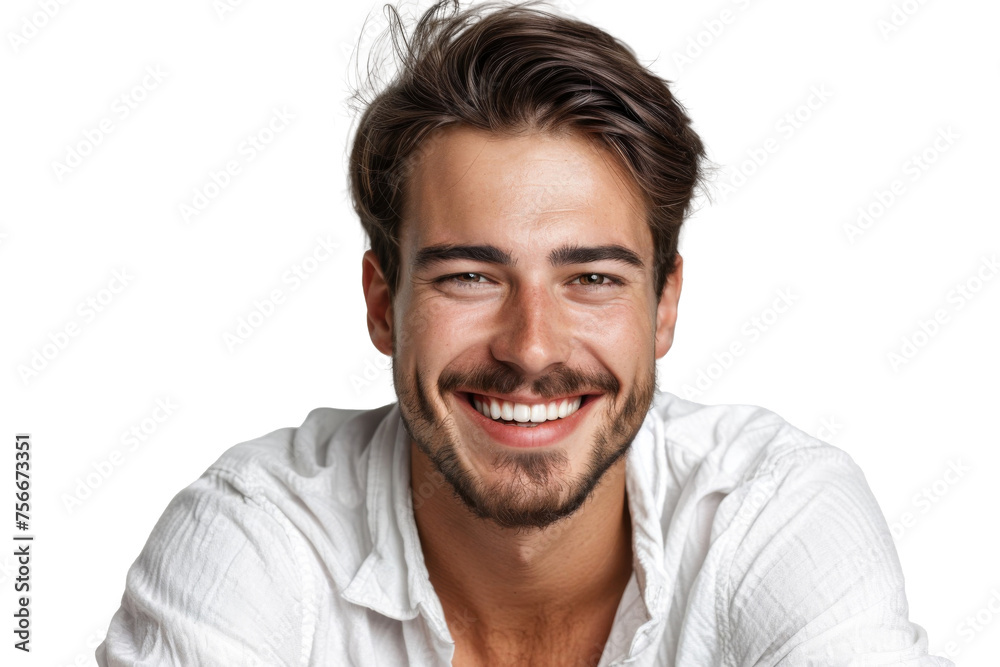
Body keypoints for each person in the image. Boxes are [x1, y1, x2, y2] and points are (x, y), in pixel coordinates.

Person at [97, 1, 954, 665]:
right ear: (381, 301)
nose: (532, 347)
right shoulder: (260, 534)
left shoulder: (771, 514)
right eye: (470, 276)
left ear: (664, 306)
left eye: (591, 279)